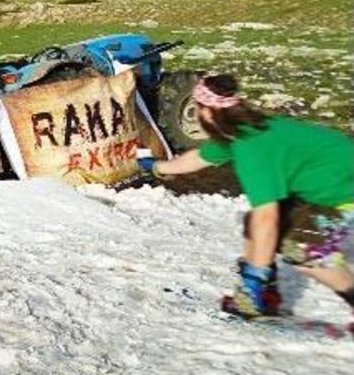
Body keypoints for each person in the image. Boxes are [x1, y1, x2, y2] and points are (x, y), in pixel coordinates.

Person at [138, 74, 354, 320]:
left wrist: (255, 274)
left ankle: (255, 293)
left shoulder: (252, 148)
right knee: (257, 224)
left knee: (306, 250)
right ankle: (262, 297)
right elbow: (199, 158)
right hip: (325, 186)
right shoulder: (235, 131)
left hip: (344, 191)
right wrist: (157, 167)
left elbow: (267, 217)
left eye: (197, 109)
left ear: (207, 113)